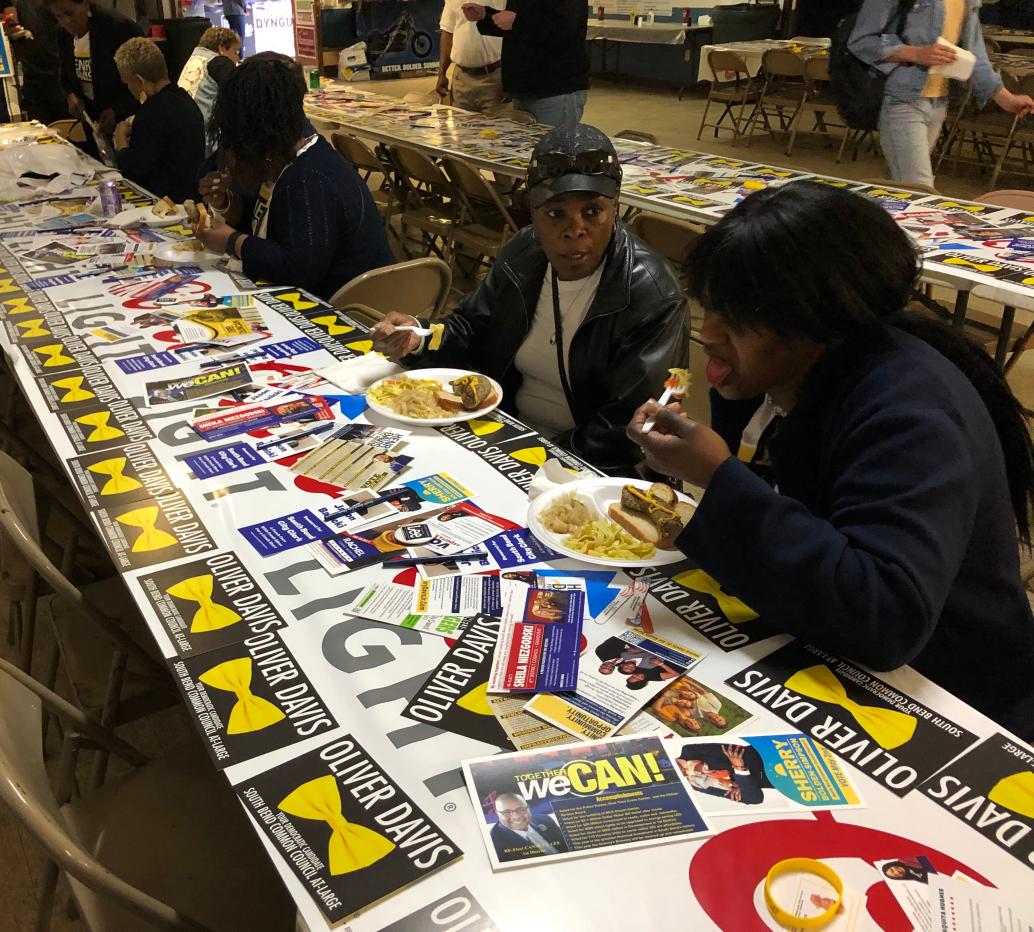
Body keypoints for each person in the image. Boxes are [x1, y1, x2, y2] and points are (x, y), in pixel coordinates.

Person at [626, 181, 1034, 740]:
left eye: (734, 317)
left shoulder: (909, 414)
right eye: (710, 308)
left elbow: (884, 619)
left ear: (813, 322)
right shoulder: (777, 380)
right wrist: (702, 472)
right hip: (821, 641)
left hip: (950, 701)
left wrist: (718, 478)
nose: (708, 333)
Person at [371, 124, 687, 476]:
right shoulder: (524, 253)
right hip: (504, 431)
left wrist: (533, 458)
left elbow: (631, 425)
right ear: (531, 215)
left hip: (593, 464)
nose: (575, 228)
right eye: (555, 214)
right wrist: (420, 336)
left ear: (615, 210)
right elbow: (472, 327)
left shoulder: (652, 294)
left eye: (593, 211)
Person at [192, 53, 395, 299]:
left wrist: (232, 241)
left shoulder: (308, 176)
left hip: (349, 308)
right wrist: (225, 203)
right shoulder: (286, 155)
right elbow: (267, 228)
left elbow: (298, 268)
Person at [848, 0, 1034, 187]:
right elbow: (861, 40)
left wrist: (1004, 97)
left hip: (939, 102)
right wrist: (915, 53)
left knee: (901, 186)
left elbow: (974, 54)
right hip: (900, 99)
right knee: (919, 187)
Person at [461, 0, 588, 125]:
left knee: (553, 144)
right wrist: (486, 15)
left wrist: (517, 22)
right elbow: (518, 27)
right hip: (523, 87)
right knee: (526, 145)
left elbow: (567, 28)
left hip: (555, 88)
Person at [112, 38, 205, 202]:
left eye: (128, 84)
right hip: (192, 196)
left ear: (140, 81)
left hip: (167, 202)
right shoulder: (185, 99)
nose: (128, 89)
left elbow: (134, 171)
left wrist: (121, 142)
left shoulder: (151, 112)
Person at [47, 0, 142, 138]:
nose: (66, 21)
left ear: (86, 3)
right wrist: (70, 96)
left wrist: (117, 110)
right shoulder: (63, 34)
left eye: (69, 13)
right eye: (58, 16)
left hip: (129, 124)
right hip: (92, 124)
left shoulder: (119, 28)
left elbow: (144, 81)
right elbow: (65, 76)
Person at [177, 26, 240, 159]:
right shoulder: (220, 63)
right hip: (205, 140)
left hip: (182, 133)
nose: (237, 58)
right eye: (236, 52)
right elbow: (239, 95)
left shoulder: (194, 59)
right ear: (222, 48)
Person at [6, 0, 70, 123]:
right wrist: (12, 32)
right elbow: (14, 32)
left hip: (63, 80)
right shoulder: (21, 4)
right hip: (34, 81)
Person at [436, 0, 505, 114]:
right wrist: (442, 73)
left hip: (493, 78)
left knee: (497, 130)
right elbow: (447, 32)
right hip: (461, 79)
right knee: (462, 130)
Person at [675, 744, 768, 804]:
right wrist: (740, 771)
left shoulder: (690, 751)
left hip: (770, 754)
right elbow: (755, 798)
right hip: (776, 780)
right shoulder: (696, 784)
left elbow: (748, 754)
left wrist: (744, 784)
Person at [488, 793, 566, 861]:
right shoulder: (493, 843)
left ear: (528, 807)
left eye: (521, 809)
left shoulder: (545, 819)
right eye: (506, 812)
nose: (517, 816)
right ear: (497, 814)